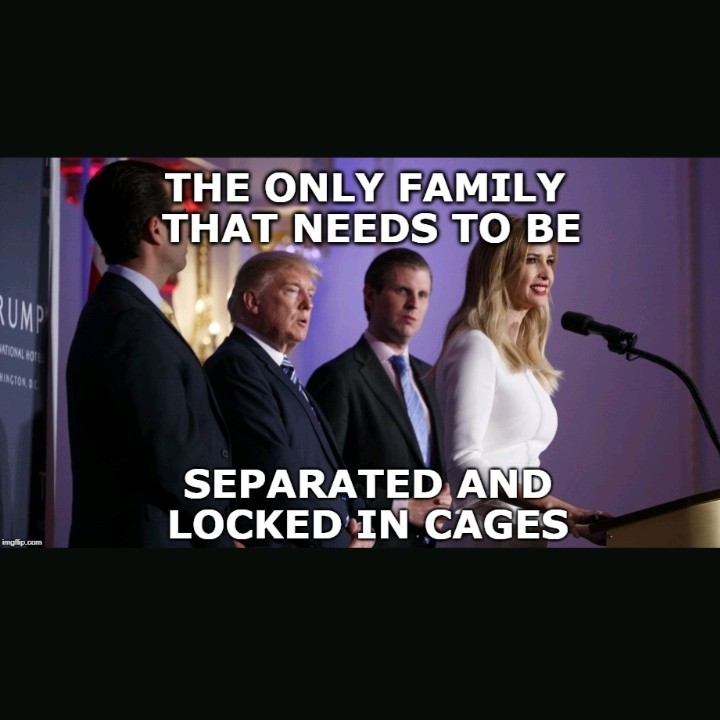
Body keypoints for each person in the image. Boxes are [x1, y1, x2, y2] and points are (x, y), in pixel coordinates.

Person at [66, 159, 236, 548]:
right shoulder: (131, 323)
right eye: (180, 214)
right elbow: (173, 456)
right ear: (156, 229)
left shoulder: (125, 312)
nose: (190, 226)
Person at [430, 214, 612, 548]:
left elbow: (520, 470)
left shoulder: (522, 359)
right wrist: (556, 506)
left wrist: (571, 520)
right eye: (531, 260)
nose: (546, 273)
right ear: (498, 267)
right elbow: (463, 463)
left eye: (550, 261)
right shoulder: (475, 345)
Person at [203, 250, 373, 549]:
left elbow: (330, 468)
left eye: (311, 294)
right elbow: (276, 477)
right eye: (293, 291)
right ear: (252, 302)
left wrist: (361, 521)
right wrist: (342, 541)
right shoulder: (236, 365)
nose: (308, 304)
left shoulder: (278, 369)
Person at [307, 248, 451, 548]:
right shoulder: (337, 377)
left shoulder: (432, 376)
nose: (414, 304)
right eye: (403, 291)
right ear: (370, 295)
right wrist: (401, 507)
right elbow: (322, 480)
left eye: (423, 295)